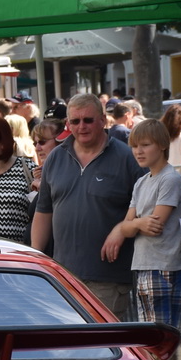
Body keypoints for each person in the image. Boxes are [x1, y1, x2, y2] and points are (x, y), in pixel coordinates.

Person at [31, 92, 145, 318]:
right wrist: (36, 258)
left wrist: (121, 229)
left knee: (103, 346)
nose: (81, 126)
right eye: (75, 121)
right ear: (68, 124)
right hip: (62, 276)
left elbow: (148, 208)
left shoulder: (127, 158)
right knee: (69, 347)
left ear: (103, 120)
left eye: (88, 120)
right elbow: (44, 211)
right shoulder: (56, 157)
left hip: (108, 278)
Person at [104, 119, 181, 331]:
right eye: (135, 146)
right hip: (144, 265)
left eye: (145, 145)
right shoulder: (141, 182)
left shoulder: (170, 179)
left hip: (164, 266)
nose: (138, 151)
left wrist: (135, 224)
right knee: (150, 336)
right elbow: (126, 226)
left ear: (161, 145)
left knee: (162, 337)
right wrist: (139, 223)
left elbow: (155, 225)